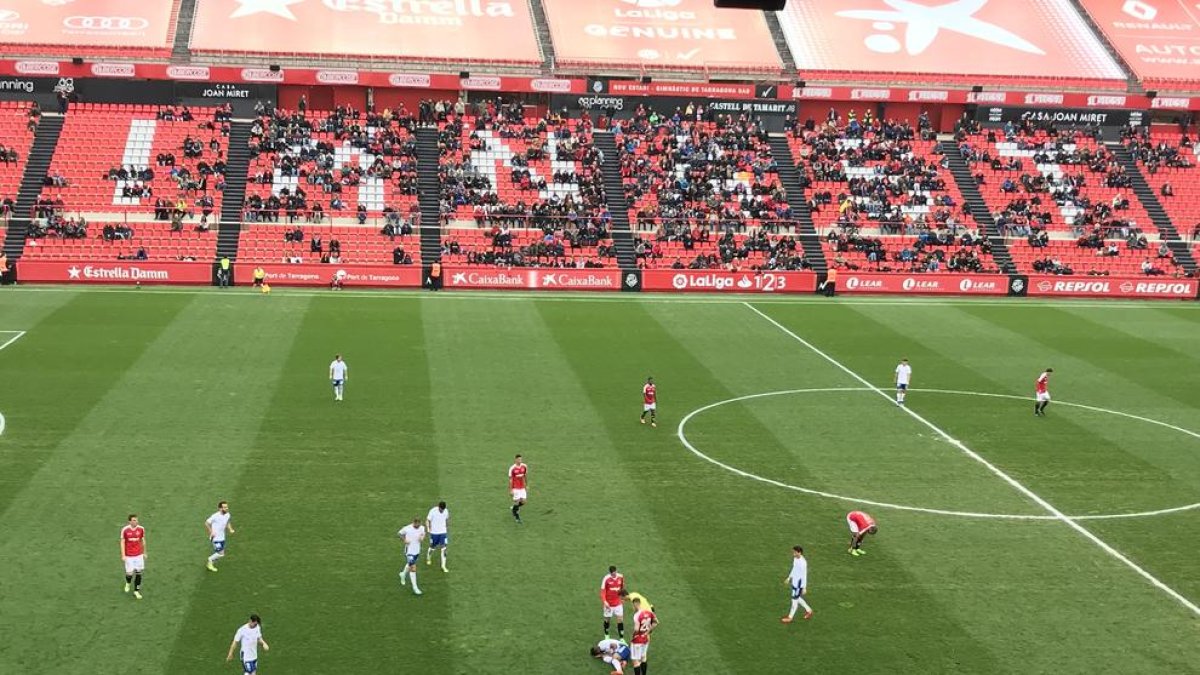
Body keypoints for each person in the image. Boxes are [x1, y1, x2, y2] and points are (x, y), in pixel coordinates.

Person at [781, 545, 813, 623]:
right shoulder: (795, 559)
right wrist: (789, 578)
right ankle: (809, 610)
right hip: (794, 582)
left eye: (795, 552)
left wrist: (804, 587)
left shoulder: (803, 563)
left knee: (794, 600)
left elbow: (804, 575)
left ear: (799, 552)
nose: (793, 554)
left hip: (799, 585)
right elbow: (794, 569)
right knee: (797, 598)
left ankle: (790, 617)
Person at [629, 596, 658, 675]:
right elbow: (656, 622)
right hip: (646, 639)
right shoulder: (648, 612)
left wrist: (633, 636)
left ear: (635, 604)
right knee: (643, 658)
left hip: (638, 640)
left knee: (635, 662)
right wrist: (647, 632)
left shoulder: (637, 615)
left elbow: (636, 629)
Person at [120, 514, 146, 600]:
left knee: (139, 572)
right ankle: (128, 583)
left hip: (139, 555)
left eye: (136, 520)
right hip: (129, 555)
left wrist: (144, 552)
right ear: (129, 521)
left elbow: (143, 540)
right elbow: (122, 542)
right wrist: (123, 555)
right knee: (129, 573)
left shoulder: (141, 529)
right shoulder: (125, 530)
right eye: (134, 520)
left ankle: (136, 591)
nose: (136, 522)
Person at [397, 517, 425, 595]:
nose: (418, 525)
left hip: (417, 551)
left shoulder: (422, 528)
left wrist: (422, 537)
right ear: (414, 522)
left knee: (409, 565)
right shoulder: (407, 528)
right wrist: (404, 540)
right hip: (409, 552)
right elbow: (399, 533)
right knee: (413, 567)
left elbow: (423, 534)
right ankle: (415, 587)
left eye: (419, 524)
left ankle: (403, 574)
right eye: (416, 524)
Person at [205, 500, 235, 572]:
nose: (226, 508)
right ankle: (210, 561)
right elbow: (206, 523)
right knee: (220, 553)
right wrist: (211, 532)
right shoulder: (215, 516)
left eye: (227, 507)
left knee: (221, 554)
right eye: (225, 507)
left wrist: (230, 529)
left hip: (222, 537)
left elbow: (227, 522)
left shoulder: (227, 514)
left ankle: (211, 561)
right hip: (215, 538)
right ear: (220, 508)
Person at [601, 566, 626, 639]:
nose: (614, 575)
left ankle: (621, 638)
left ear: (616, 571)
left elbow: (622, 588)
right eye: (613, 574)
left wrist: (623, 598)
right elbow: (602, 592)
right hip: (609, 604)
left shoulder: (621, 577)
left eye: (615, 573)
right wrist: (605, 601)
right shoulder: (606, 579)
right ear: (610, 573)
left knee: (620, 620)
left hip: (618, 603)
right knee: (607, 619)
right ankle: (606, 636)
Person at [425, 501, 450, 572]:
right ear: (438, 507)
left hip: (443, 532)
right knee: (432, 547)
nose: (442, 511)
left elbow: (447, 519)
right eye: (441, 509)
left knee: (444, 548)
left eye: (443, 509)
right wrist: (428, 529)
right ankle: (428, 557)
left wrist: (446, 528)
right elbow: (427, 520)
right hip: (434, 533)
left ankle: (443, 566)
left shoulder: (446, 511)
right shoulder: (432, 511)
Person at [509, 454, 528, 523]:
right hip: (515, 487)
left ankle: (513, 508)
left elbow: (525, 476)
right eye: (519, 459)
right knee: (517, 502)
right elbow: (510, 479)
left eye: (521, 459)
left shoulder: (524, 466)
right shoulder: (512, 468)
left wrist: (526, 485)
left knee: (524, 501)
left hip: (522, 487)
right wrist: (511, 490)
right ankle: (517, 517)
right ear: (516, 460)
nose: (520, 461)